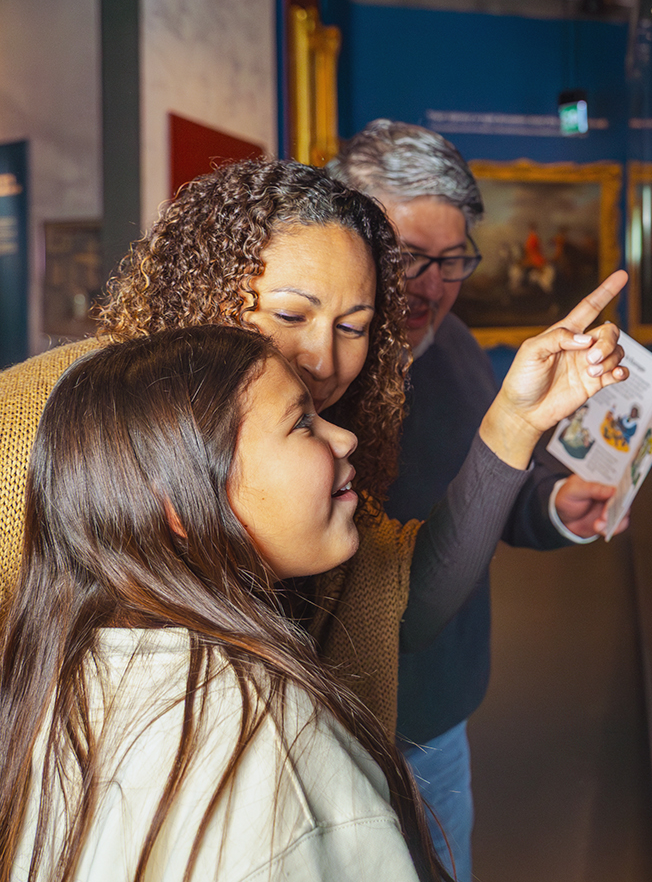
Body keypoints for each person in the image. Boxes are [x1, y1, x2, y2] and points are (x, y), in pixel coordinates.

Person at [0, 158, 628, 750]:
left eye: (353, 327)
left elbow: (400, 603)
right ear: (204, 292)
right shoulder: (33, 422)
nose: (323, 362)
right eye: (290, 314)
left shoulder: (324, 430)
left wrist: (516, 421)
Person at [0, 327, 442, 881]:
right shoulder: (277, 745)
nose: (344, 437)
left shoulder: (52, 678)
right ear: (177, 505)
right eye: (301, 422)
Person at [328, 122, 623, 878]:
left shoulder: (456, 346)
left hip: (441, 714)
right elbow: (399, 603)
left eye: (453, 259)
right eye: (407, 257)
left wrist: (558, 506)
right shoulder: (312, 383)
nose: (431, 285)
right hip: (341, 729)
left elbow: (497, 491)